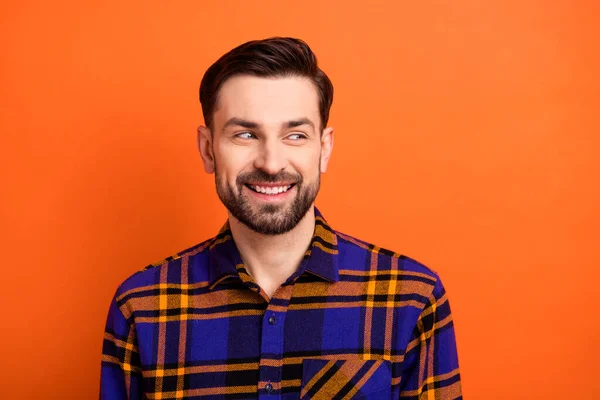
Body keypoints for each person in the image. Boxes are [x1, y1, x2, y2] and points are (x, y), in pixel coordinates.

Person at [100, 37, 462, 399]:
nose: (271, 163)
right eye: (245, 134)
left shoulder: (411, 299)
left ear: (324, 149)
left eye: (295, 135)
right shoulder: (141, 308)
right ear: (208, 149)